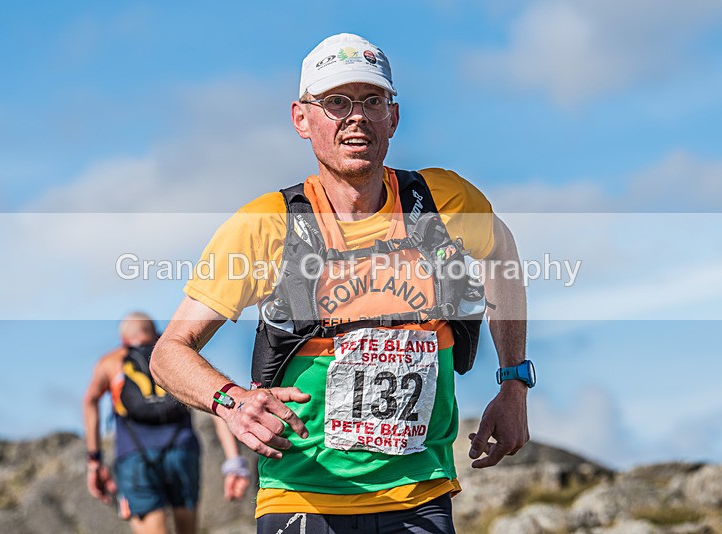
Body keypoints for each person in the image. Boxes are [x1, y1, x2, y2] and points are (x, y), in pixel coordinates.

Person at [151, 33, 530, 533]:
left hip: (419, 494)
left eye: (373, 100)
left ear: (392, 117)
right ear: (301, 119)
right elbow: (169, 353)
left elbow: (503, 261)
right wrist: (232, 402)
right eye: (336, 103)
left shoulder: (444, 200)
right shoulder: (266, 225)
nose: (357, 117)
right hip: (302, 496)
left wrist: (513, 383)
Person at [83, 312, 250, 534]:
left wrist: (95, 460)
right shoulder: (176, 359)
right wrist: (233, 461)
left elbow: (90, 401)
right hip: (182, 451)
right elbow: (215, 405)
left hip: (135, 457)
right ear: (155, 333)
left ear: (124, 339)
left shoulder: (111, 363)